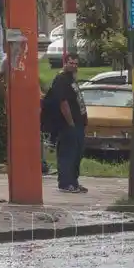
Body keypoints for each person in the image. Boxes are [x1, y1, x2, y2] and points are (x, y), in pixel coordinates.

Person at [0, 51, 49, 174]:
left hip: (31, 102)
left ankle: (36, 162)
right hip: (18, 102)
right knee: (20, 132)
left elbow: (34, 80)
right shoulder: (7, 60)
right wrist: (6, 96)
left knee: (34, 132)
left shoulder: (30, 60)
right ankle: (22, 162)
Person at [50, 53, 88, 193]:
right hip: (67, 125)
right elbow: (63, 103)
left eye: (76, 64)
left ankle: (74, 182)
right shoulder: (61, 80)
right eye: (71, 63)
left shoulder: (72, 79)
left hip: (78, 124)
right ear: (64, 63)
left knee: (77, 154)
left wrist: (84, 122)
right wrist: (70, 123)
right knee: (67, 154)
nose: (74, 66)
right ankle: (65, 183)